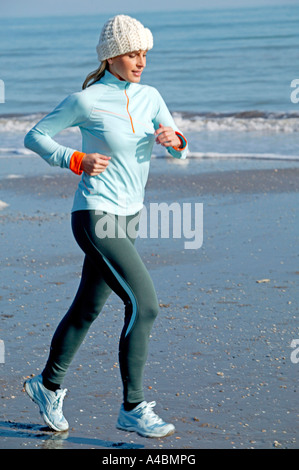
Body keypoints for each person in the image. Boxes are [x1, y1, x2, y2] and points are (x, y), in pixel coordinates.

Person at [23, 14, 188, 439]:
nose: (141, 61)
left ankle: (47, 385)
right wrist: (76, 160)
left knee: (88, 308)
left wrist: (177, 141)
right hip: (95, 214)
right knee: (145, 304)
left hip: (130, 216)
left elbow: (179, 151)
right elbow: (36, 136)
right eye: (133, 53)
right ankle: (133, 407)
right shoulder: (89, 100)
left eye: (145, 53)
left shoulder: (151, 97)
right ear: (112, 56)